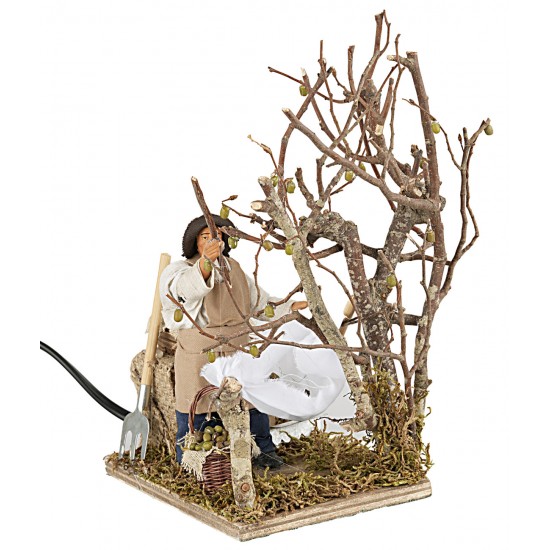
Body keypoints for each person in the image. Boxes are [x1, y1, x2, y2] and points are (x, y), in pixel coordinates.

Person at [160, 214, 307, 468]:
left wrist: (288, 306)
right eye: (205, 237)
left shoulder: (234, 269)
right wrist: (205, 265)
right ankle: (195, 463)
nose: (212, 241)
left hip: (238, 348)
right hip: (200, 352)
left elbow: (259, 302)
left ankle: (263, 453)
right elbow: (183, 290)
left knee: (251, 402)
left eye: (217, 236)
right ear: (195, 242)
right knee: (198, 405)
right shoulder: (179, 271)